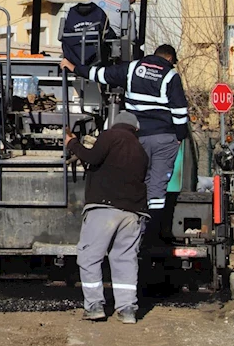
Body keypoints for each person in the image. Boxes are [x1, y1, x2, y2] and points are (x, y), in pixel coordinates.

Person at [61, 44, 189, 244]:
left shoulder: (132, 68)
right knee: (157, 186)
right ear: (170, 59)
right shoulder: (171, 76)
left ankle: (134, 229)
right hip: (165, 137)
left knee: (138, 179)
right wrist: (180, 136)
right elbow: (180, 112)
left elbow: (101, 74)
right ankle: (151, 234)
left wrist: (73, 67)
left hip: (138, 137)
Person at [66, 111, 149, 324]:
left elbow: (92, 157)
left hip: (104, 208)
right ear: (135, 129)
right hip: (133, 213)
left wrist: (72, 144)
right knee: (124, 259)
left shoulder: (110, 136)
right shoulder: (140, 150)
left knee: (89, 256)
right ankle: (127, 309)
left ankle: (94, 306)